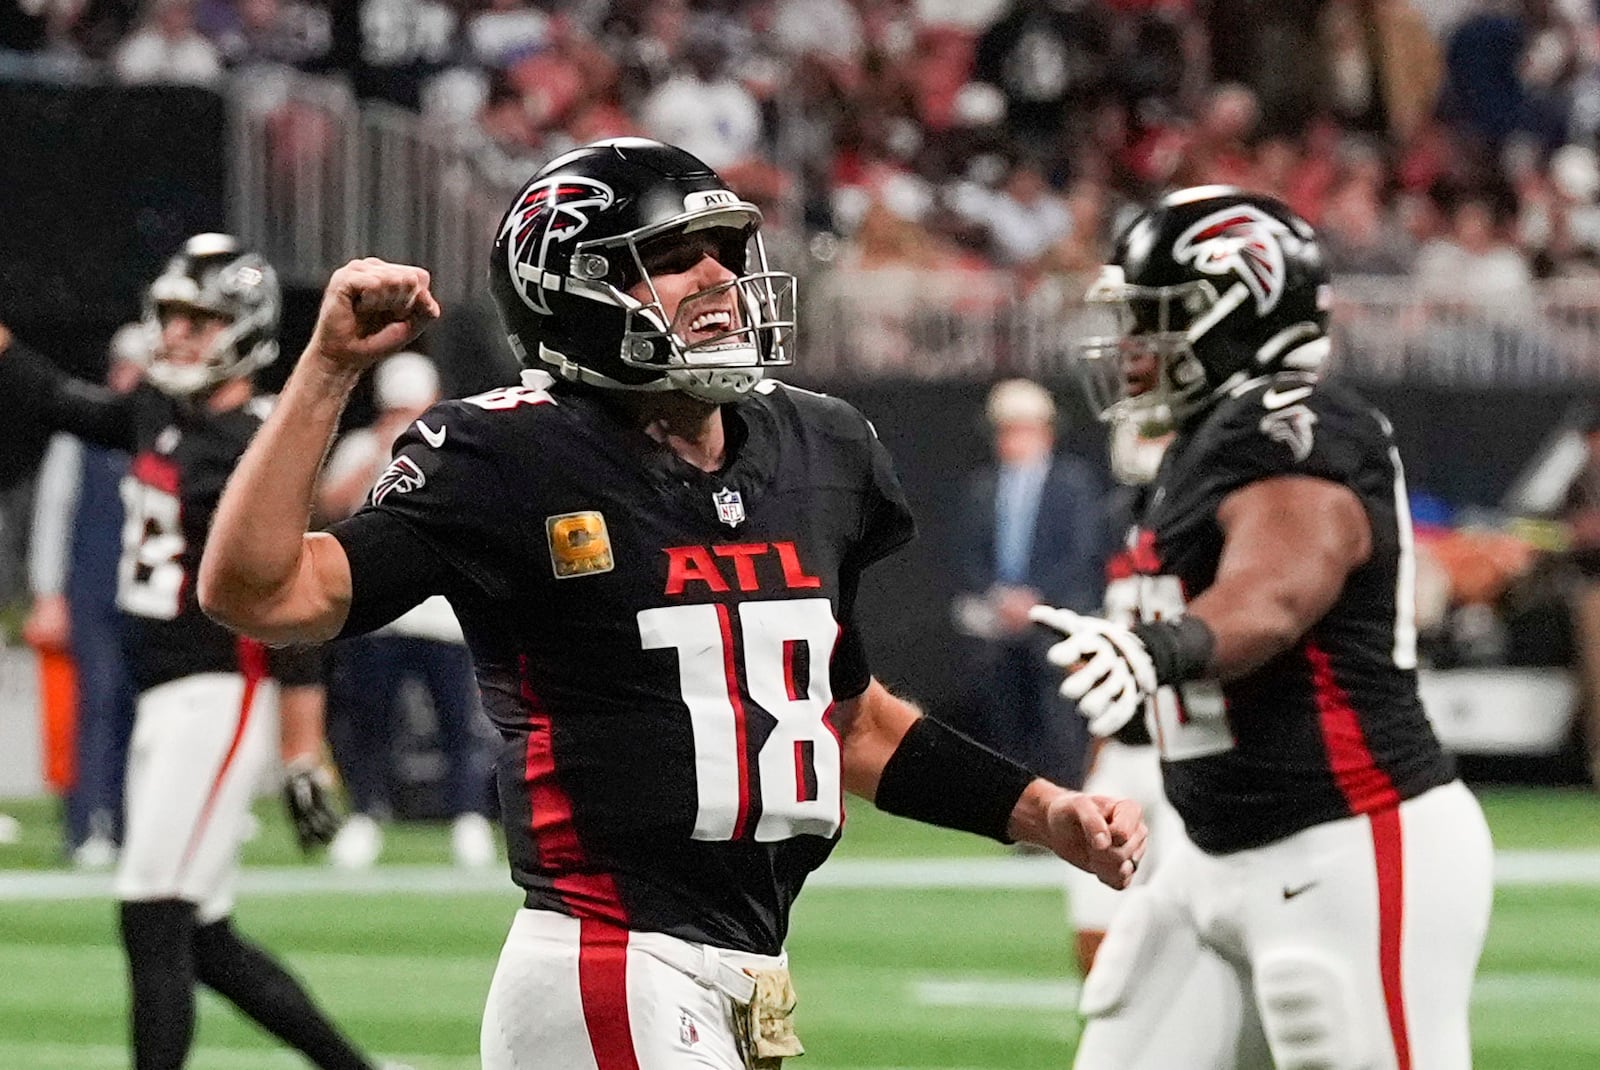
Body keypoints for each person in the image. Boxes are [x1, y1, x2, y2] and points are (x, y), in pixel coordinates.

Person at [197, 136, 1146, 1070]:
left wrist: (1042, 810)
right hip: (609, 960)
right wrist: (325, 371)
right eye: (667, 260)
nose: (717, 279)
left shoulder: (817, 447)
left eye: (724, 253)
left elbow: (848, 722)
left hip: (745, 968)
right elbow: (261, 591)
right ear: (566, 292)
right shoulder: (509, 455)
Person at [1030, 188, 1494, 1070]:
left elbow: (1274, 595)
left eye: (1154, 321)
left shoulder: (1297, 423)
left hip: (1349, 840)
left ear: (1237, 311)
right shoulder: (1191, 448)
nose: (1132, 348)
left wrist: (1152, 649)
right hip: (1209, 856)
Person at [0, 235, 398, 1070]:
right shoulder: (162, 410)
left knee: (150, 913)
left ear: (243, 329)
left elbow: (293, 606)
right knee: (203, 937)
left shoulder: (256, 442)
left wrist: (300, 751)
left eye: (200, 318)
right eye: (172, 316)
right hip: (165, 695)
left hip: (222, 691)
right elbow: (62, 400)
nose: (179, 333)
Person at [316, 351, 497, 870]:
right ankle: (366, 815)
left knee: (459, 725)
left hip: (443, 617)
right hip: (377, 615)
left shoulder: (457, 448)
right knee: (369, 722)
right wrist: (380, 451)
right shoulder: (362, 446)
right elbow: (331, 507)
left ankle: (469, 819)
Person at [23, 324, 147, 868]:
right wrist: (49, 592)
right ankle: (87, 824)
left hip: (146, 593)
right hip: (91, 589)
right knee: (94, 703)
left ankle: (129, 824)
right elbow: (54, 514)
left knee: (137, 709)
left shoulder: (162, 432)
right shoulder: (82, 433)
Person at [952, 378, 1105, 788]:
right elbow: (970, 553)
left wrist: (1036, 599)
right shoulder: (984, 487)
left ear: (1046, 431)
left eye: (1023, 428)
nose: (1013, 439)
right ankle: (1019, 806)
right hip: (1000, 621)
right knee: (1006, 713)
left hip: (1057, 615)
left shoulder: (1073, 483)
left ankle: (1067, 799)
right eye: (1005, 429)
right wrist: (1000, 597)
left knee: (1059, 715)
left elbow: (1082, 551)